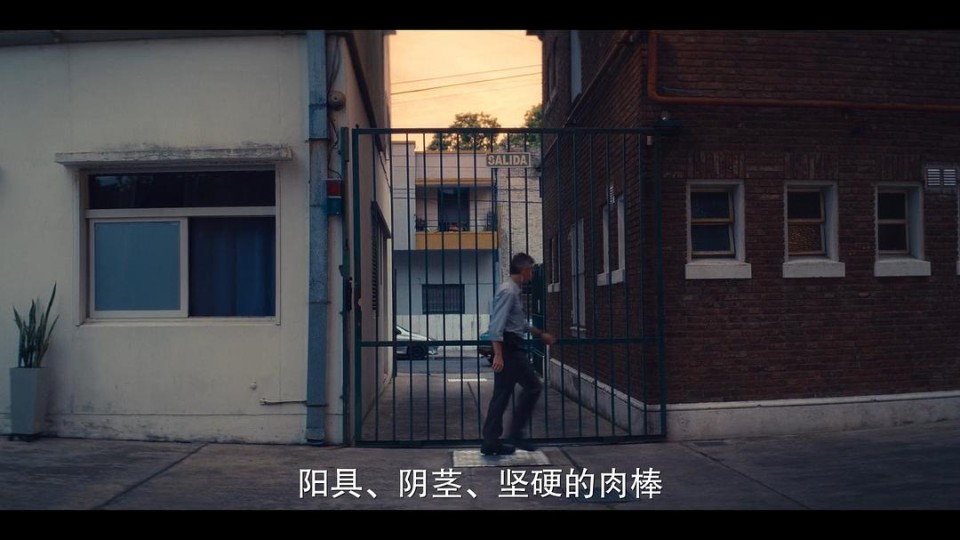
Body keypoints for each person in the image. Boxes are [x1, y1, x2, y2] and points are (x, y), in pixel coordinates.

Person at [481, 252, 555, 455]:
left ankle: (490, 441)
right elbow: (496, 326)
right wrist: (498, 354)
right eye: (531, 270)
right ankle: (516, 434)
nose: (532, 274)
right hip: (510, 349)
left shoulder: (513, 290)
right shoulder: (508, 291)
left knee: (502, 395)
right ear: (524, 270)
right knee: (533, 387)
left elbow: (520, 323)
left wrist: (540, 334)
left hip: (511, 346)